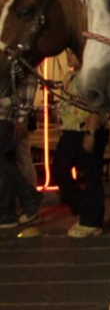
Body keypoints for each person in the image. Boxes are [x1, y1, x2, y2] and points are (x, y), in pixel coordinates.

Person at [53, 65, 110, 238]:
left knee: (91, 173)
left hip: (89, 130)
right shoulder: (69, 76)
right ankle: (86, 207)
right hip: (70, 129)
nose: (70, 55)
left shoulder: (94, 73)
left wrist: (91, 132)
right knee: (59, 169)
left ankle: (92, 221)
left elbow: (98, 104)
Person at [0, 72, 43, 229]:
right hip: (7, 114)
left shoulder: (14, 53)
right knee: (6, 162)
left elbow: (29, 78)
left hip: (6, 114)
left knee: (7, 162)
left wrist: (23, 116)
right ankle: (10, 208)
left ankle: (26, 197)